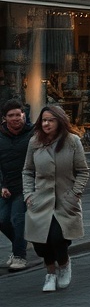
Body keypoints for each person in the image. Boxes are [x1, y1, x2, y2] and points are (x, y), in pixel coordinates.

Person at [22, 104, 89, 292]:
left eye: (51, 120)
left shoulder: (72, 141)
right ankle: (50, 273)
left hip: (65, 199)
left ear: (59, 121)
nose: (46, 124)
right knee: (40, 244)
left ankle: (64, 264)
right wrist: (28, 195)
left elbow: (83, 171)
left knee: (58, 238)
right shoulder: (35, 142)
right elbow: (27, 171)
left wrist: (75, 194)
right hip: (40, 200)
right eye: (44, 120)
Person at [0, 99, 32, 271]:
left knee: (17, 219)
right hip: (5, 186)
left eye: (18, 114)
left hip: (25, 185)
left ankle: (20, 256)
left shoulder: (33, 133)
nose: (15, 118)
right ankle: (20, 243)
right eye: (11, 115)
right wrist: (2, 185)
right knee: (2, 220)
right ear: (4, 118)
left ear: (23, 115)